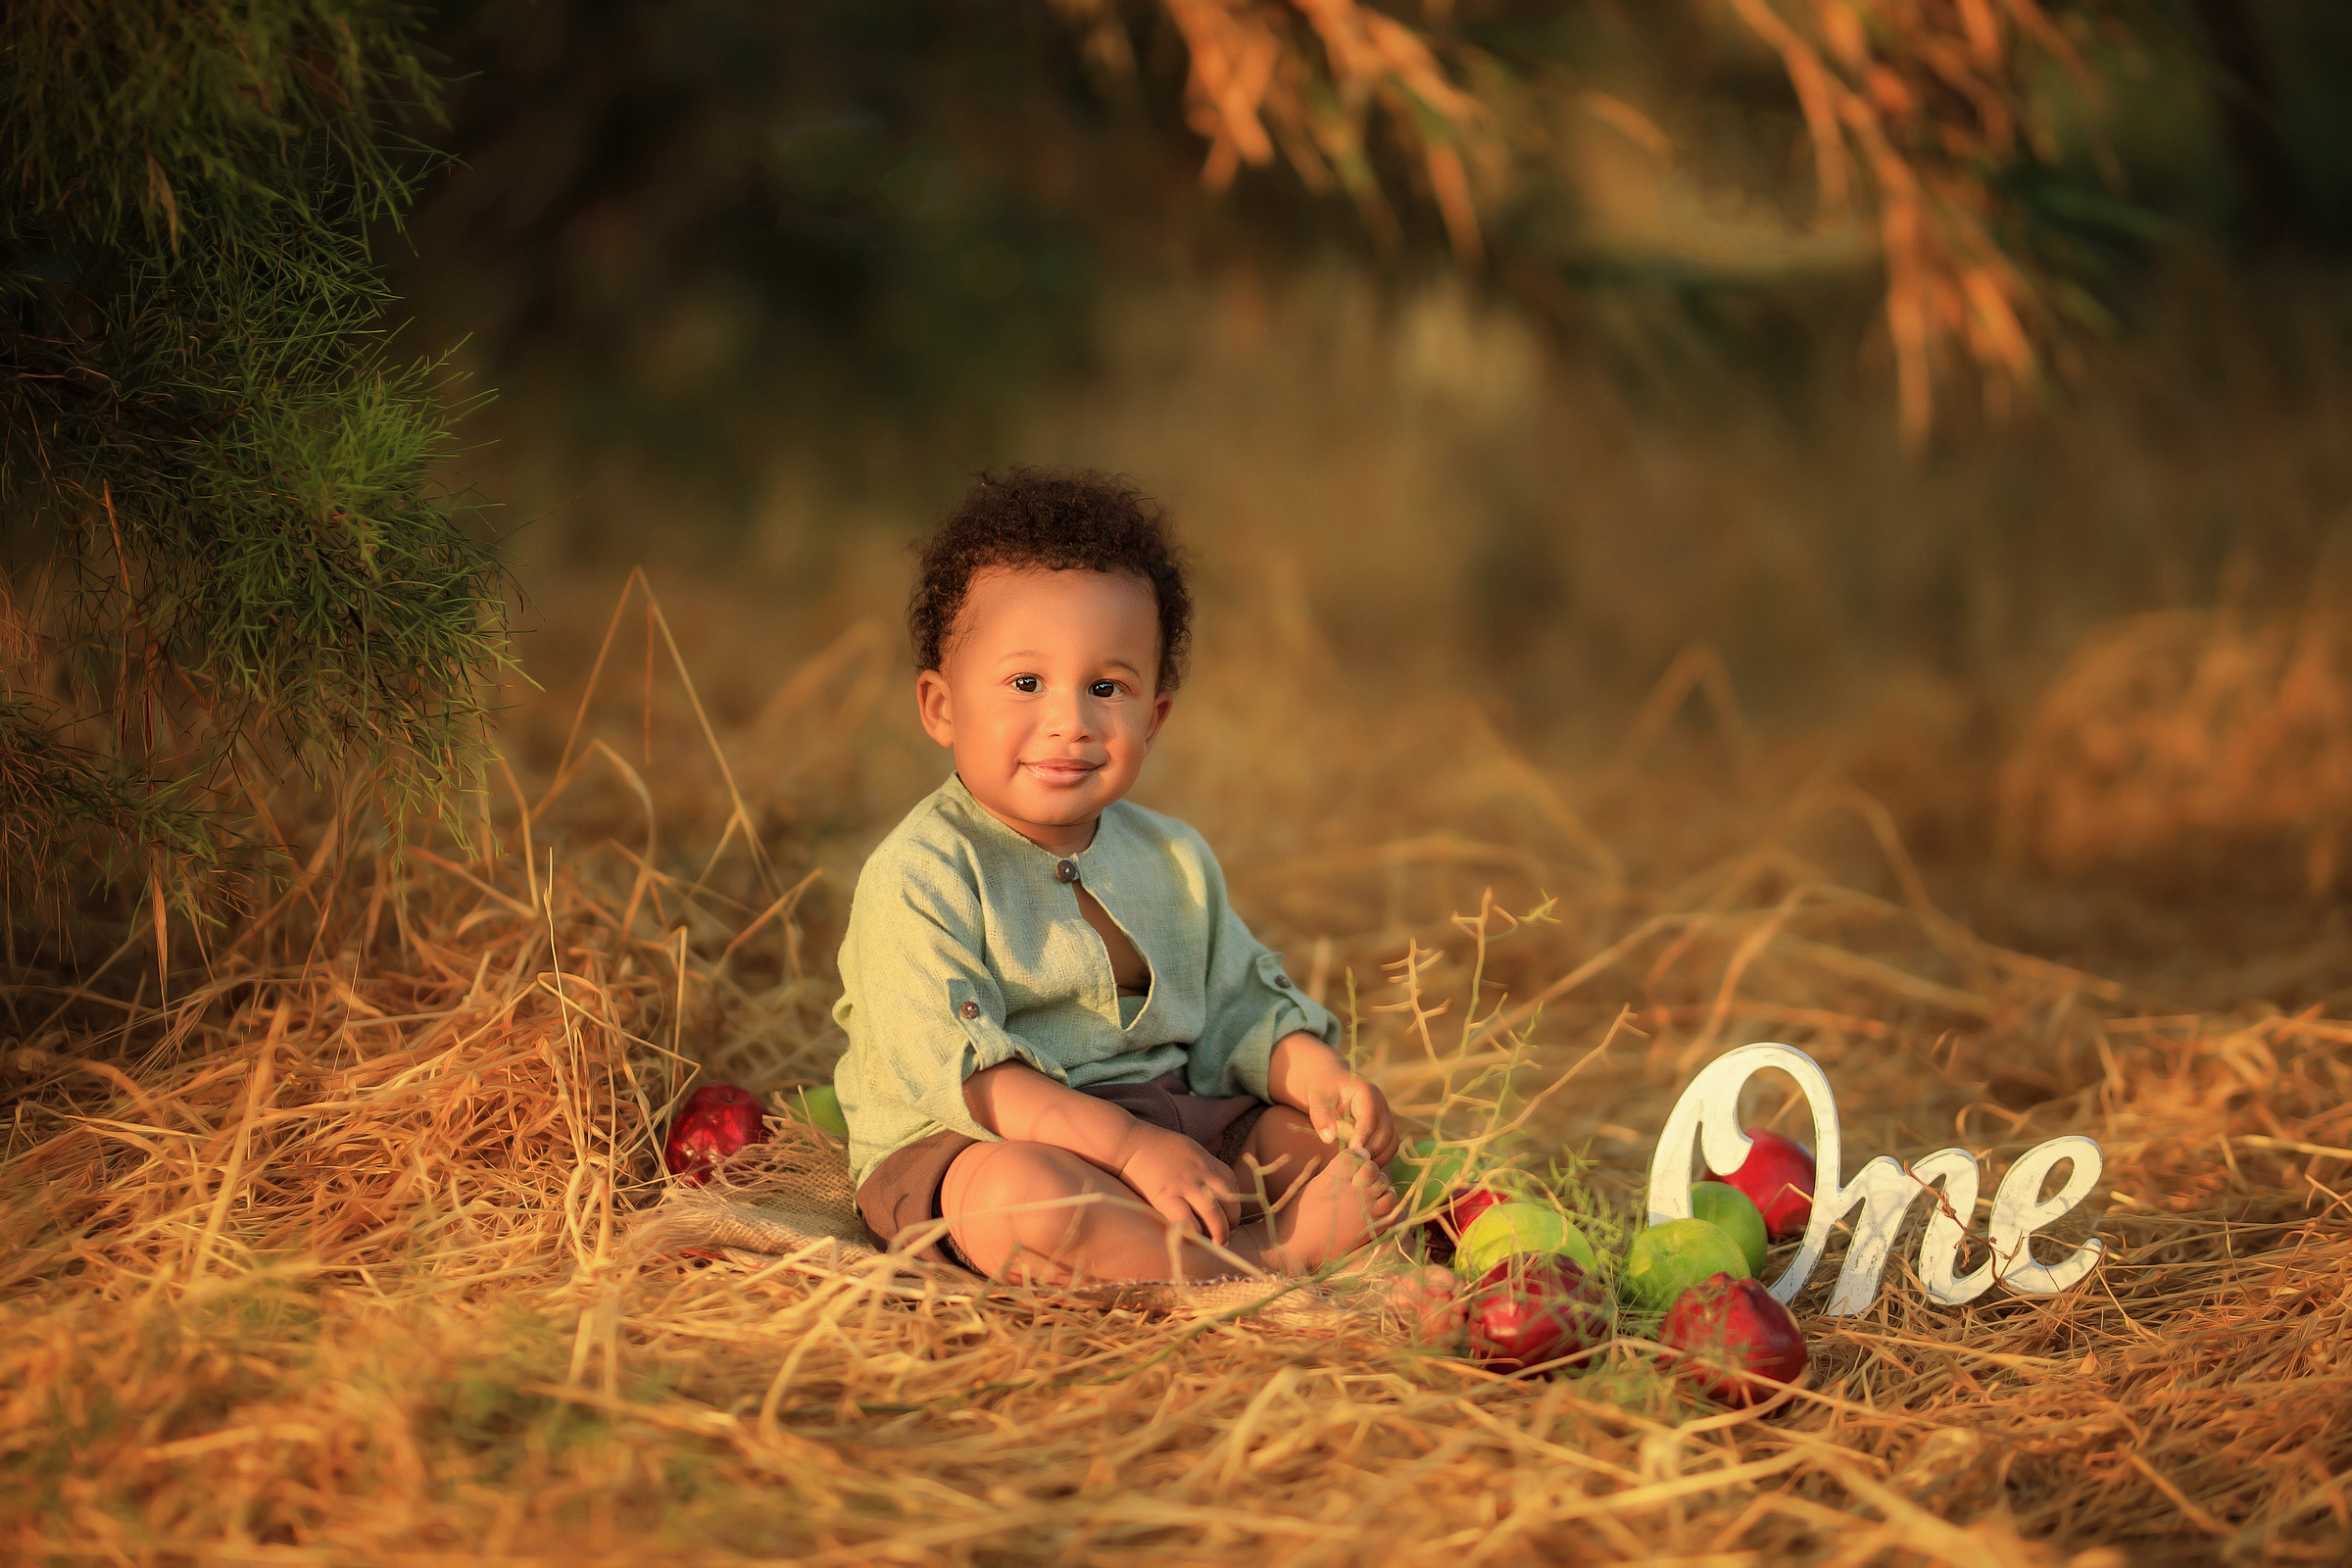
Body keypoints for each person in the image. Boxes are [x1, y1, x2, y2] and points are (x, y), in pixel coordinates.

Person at [833, 467, 1402, 1284]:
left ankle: (1202, 1252)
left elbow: (1239, 1007)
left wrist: (1321, 1079)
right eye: (1026, 683)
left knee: (1323, 1147)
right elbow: (978, 1083)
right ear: (941, 707)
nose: (1069, 722)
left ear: (1153, 717)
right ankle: (1260, 1264)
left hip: (1172, 1126)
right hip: (985, 1141)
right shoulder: (921, 875)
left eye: (1106, 688)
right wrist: (1130, 1150)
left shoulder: (1173, 859)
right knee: (1024, 1202)